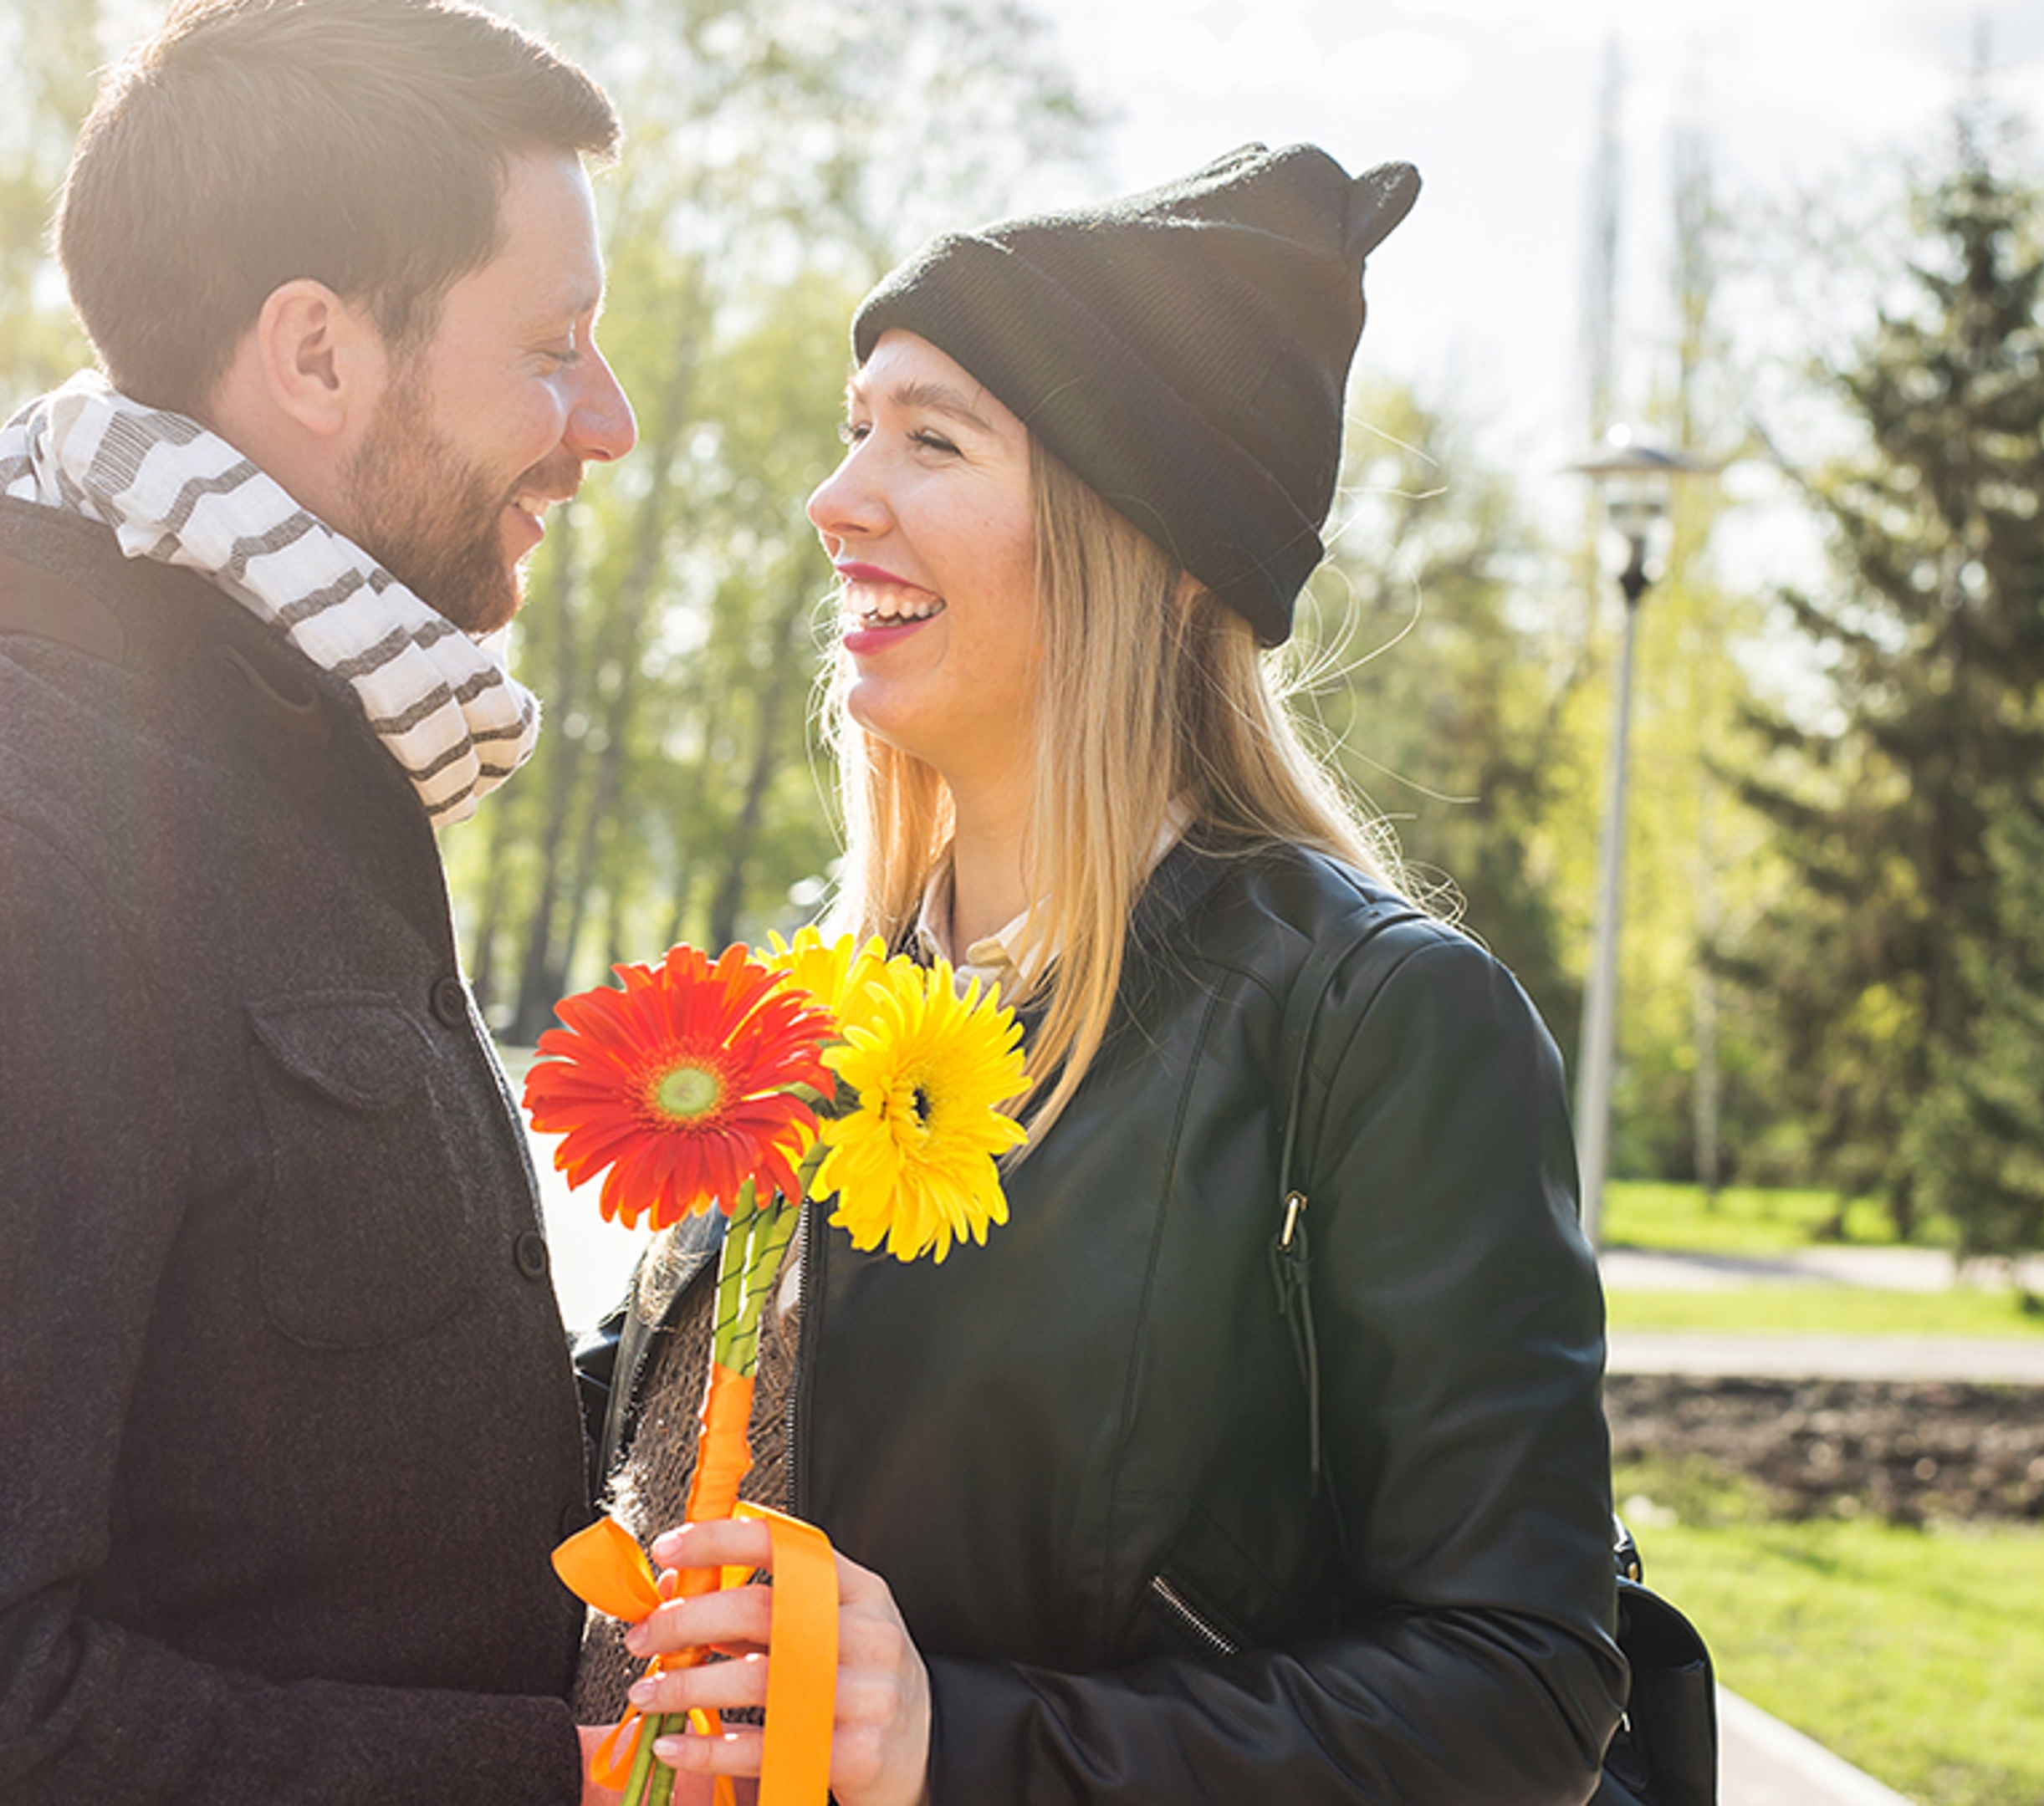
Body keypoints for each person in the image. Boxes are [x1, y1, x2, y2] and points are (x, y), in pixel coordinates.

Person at [573, 145, 1630, 1805]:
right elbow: (626, 1450)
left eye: (933, 439)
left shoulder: (1375, 1027)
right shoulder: (807, 993)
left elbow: (1524, 1688)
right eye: (857, 429)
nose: (837, 499)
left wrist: (955, 1739)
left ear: (1136, 530)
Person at [0, 3, 636, 1800]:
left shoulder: (300, 764)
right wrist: (565, 1784)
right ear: (315, 353)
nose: (611, 422)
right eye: (555, 348)